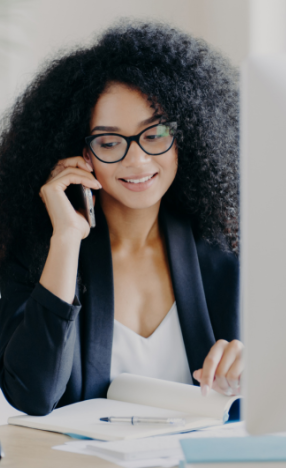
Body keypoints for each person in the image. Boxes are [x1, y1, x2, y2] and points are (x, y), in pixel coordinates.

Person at [0, 20, 242, 416]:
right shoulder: (38, 254)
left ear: (188, 133)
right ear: (81, 153)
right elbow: (33, 394)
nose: (138, 159)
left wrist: (247, 369)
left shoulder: (226, 250)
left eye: (156, 133)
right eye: (110, 142)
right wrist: (66, 239)